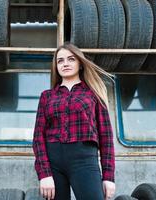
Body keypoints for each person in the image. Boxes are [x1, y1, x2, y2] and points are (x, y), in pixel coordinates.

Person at [32, 42, 115, 200]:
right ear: (56, 66)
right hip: (53, 162)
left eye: (71, 59)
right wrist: (44, 174)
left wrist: (108, 177)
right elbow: (38, 138)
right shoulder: (46, 96)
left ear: (80, 64)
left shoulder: (94, 94)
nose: (65, 64)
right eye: (60, 61)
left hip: (84, 160)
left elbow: (106, 137)